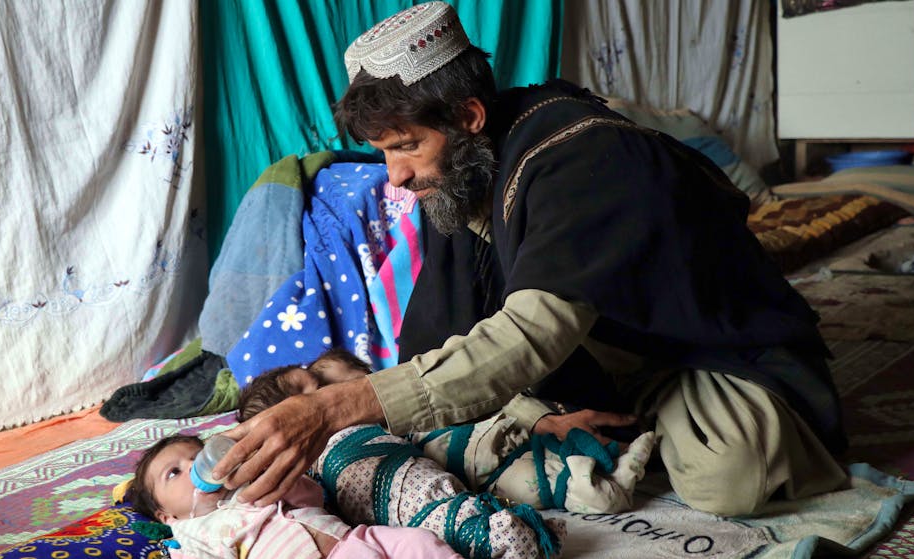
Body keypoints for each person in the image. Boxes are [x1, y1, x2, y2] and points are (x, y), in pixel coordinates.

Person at [216, 1, 848, 517]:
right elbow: (441, 337)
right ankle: (613, 420)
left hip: (700, 349)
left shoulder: (584, 157)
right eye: (384, 153)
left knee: (728, 479)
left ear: (468, 115)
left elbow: (529, 335)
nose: (396, 177)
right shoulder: (461, 174)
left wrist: (333, 406)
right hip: (597, 351)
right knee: (452, 429)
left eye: (406, 147)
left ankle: (672, 418)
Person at [239, 348, 656, 514]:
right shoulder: (363, 460)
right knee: (535, 483)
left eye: (316, 376)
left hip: (540, 409)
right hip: (508, 464)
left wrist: (541, 417)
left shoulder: (419, 386)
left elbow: (485, 389)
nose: (323, 396)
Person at [128, 434, 464, 559]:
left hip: (356, 541)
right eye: (174, 473)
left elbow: (312, 498)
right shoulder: (192, 537)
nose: (192, 467)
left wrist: (271, 478)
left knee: (419, 542)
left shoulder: (249, 486)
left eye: (197, 456)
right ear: (165, 515)